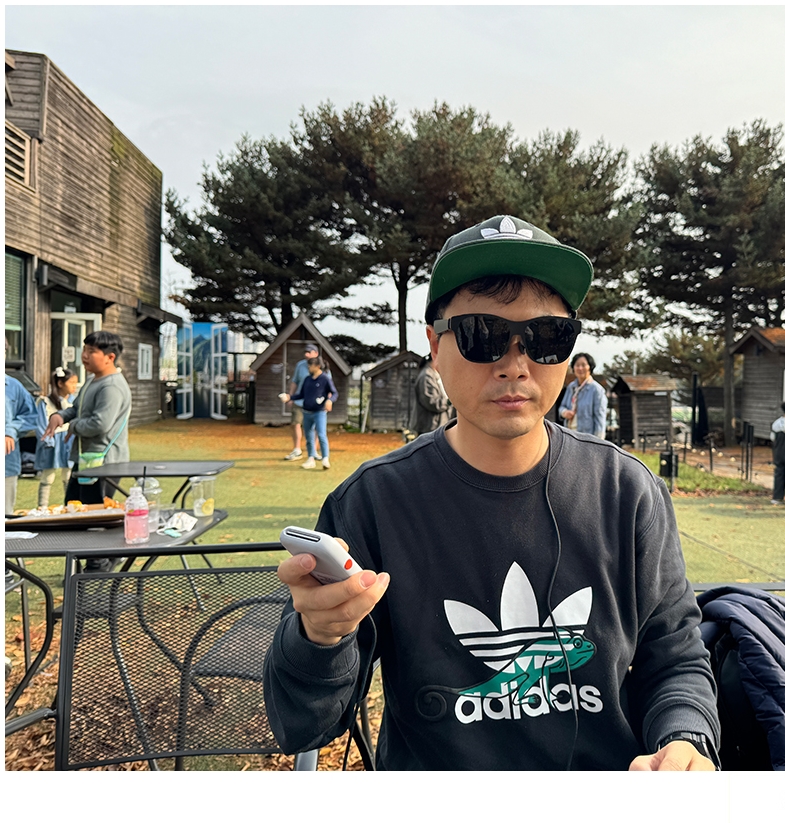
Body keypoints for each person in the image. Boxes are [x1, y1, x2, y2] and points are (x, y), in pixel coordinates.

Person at [263, 214, 720, 771]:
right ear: (435, 346)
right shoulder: (371, 503)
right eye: (482, 334)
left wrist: (685, 740)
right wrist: (319, 636)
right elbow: (304, 723)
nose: (514, 365)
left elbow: (674, 656)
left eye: (547, 337)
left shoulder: (629, 493)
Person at [42, 330, 132, 562]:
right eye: (84, 350)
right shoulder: (93, 380)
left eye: (91, 352)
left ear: (110, 357)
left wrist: (73, 426)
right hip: (87, 460)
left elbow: (100, 424)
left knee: (95, 518)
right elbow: (77, 409)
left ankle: (98, 566)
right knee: (74, 511)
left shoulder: (111, 387)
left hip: (104, 463)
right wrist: (61, 416)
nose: (84, 356)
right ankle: (85, 565)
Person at [35, 367, 79, 508]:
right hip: (52, 441)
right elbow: (41, 424)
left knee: (69, 475)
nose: (74, 386)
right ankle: (42, 507)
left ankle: (71, 506)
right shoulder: (45, 402)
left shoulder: (74, 402)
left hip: (68, 440)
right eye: (71, 383)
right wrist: (48, 441)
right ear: (60, 383)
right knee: (48, 476)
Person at [287, 355, 338, 470]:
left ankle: (325, 459)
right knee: (309, 437)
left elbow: (334, 393)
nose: (309, 368)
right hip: (307, 412)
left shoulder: (325, 379)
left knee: (321, 434)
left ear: (317, 366)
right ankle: (311, 458)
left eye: (310, 365)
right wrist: (290, 397)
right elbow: (301, 395)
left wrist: (329, 401)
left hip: (319, 412)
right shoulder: (307, 379)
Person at [5, 374, 38, 515]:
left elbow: (30, 415)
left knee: (5, 515)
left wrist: (10, 431)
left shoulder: (13, 386)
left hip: (6, 463)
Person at [284, 343, 320, 461]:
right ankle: (297, 450)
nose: (306, 354)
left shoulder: (322, 366)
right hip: (300, 401)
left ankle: (313, 452)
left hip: (315, 403)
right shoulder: (300, 365)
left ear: (316, 353)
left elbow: (328, 386)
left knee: (315, 427)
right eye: (305, 352)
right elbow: (295, 381)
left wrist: (327, 401)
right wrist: (291, 396)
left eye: (309, 352)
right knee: (296, 423)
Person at [558, 352, 607, 439]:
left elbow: (600, 419)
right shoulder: (571, 387)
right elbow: (561, 407)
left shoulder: (597, 390)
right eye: (577, 365)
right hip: (569, 435)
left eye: (583, 365)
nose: (580, 368)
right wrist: (565, 412)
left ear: (590, 367)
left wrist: (599, 442)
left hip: (586, 438)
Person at [409, 355, 450, 435]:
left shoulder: (434, 375)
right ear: (435, 359)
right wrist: (449, 402)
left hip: (436, 426)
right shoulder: (426, 376)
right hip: (429, 427)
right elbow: (432, 403)